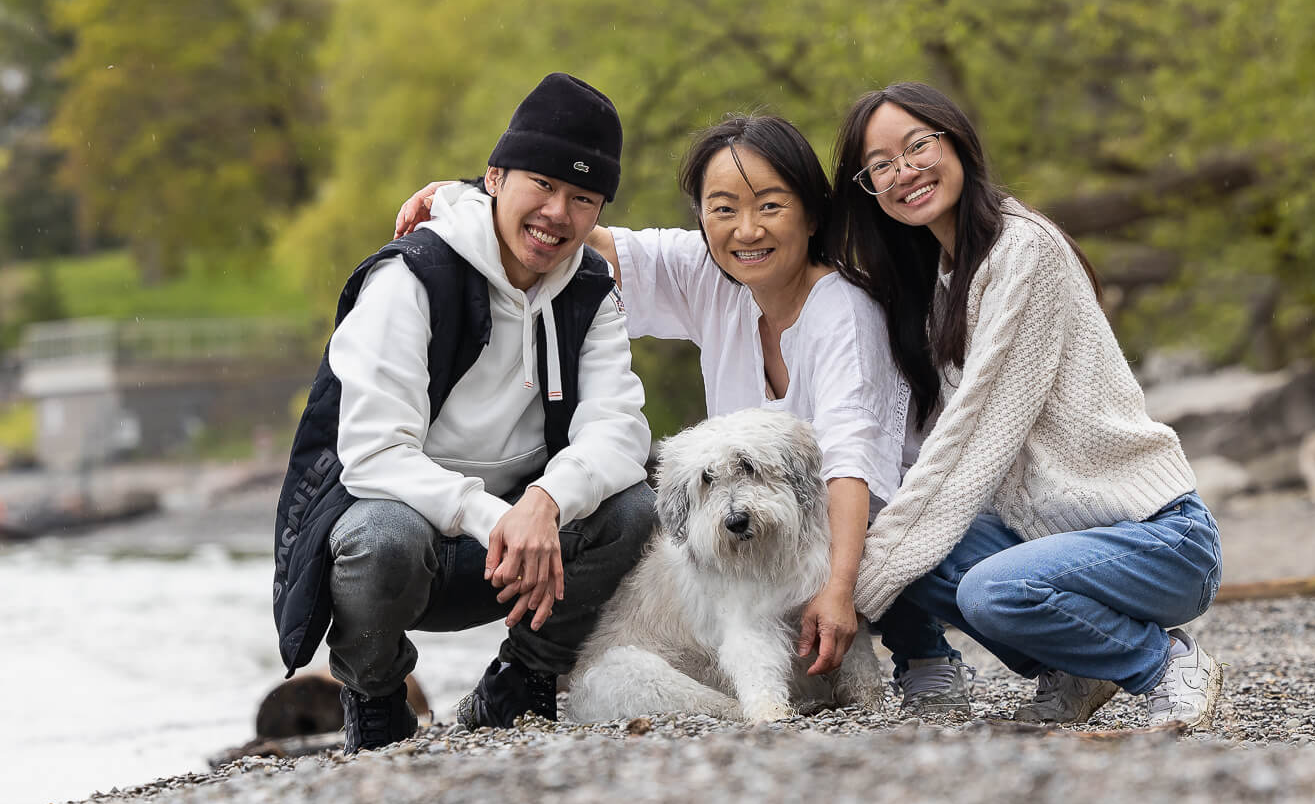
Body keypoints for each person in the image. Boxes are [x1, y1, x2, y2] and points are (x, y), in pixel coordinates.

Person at [395, 114, 972, 716]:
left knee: (848, 521)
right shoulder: (716, 273)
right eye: (723, 208)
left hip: (874, 526)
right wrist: (474, 199)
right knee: (645, 509)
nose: (746, 229)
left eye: (770, 205)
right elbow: (585, 236)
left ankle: (923, 653)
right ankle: (562, 667)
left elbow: (853, 466)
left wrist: (839, 590)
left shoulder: (844, 313)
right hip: (764, 544)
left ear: (811, 213)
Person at [272, 73, 657, 754]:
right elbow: (374, 452)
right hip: (409, 544)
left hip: (524, 558)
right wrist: (495, 516)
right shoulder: (413, 277)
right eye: (542, 184)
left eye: (582, 198)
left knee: (632, 509)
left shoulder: (591, 292)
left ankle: (521, 682)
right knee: (379, 536)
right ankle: (376, 700)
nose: (557, 213)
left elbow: (619, 429)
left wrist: (545, 500)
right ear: (495, 177)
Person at [829, 82, 1225, 728]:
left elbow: (975, 437)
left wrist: (851, 591)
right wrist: (861, 570)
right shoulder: (943, 279)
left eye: (918, 145)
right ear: (868, 189)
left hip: (1159, 537)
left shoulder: (1024, 250)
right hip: (1059, 540)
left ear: (957, 140)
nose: (905, 171)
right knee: (907, 551)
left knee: (986, 588)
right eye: (881, 165)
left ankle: (1166, 663)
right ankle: (1078, 667)